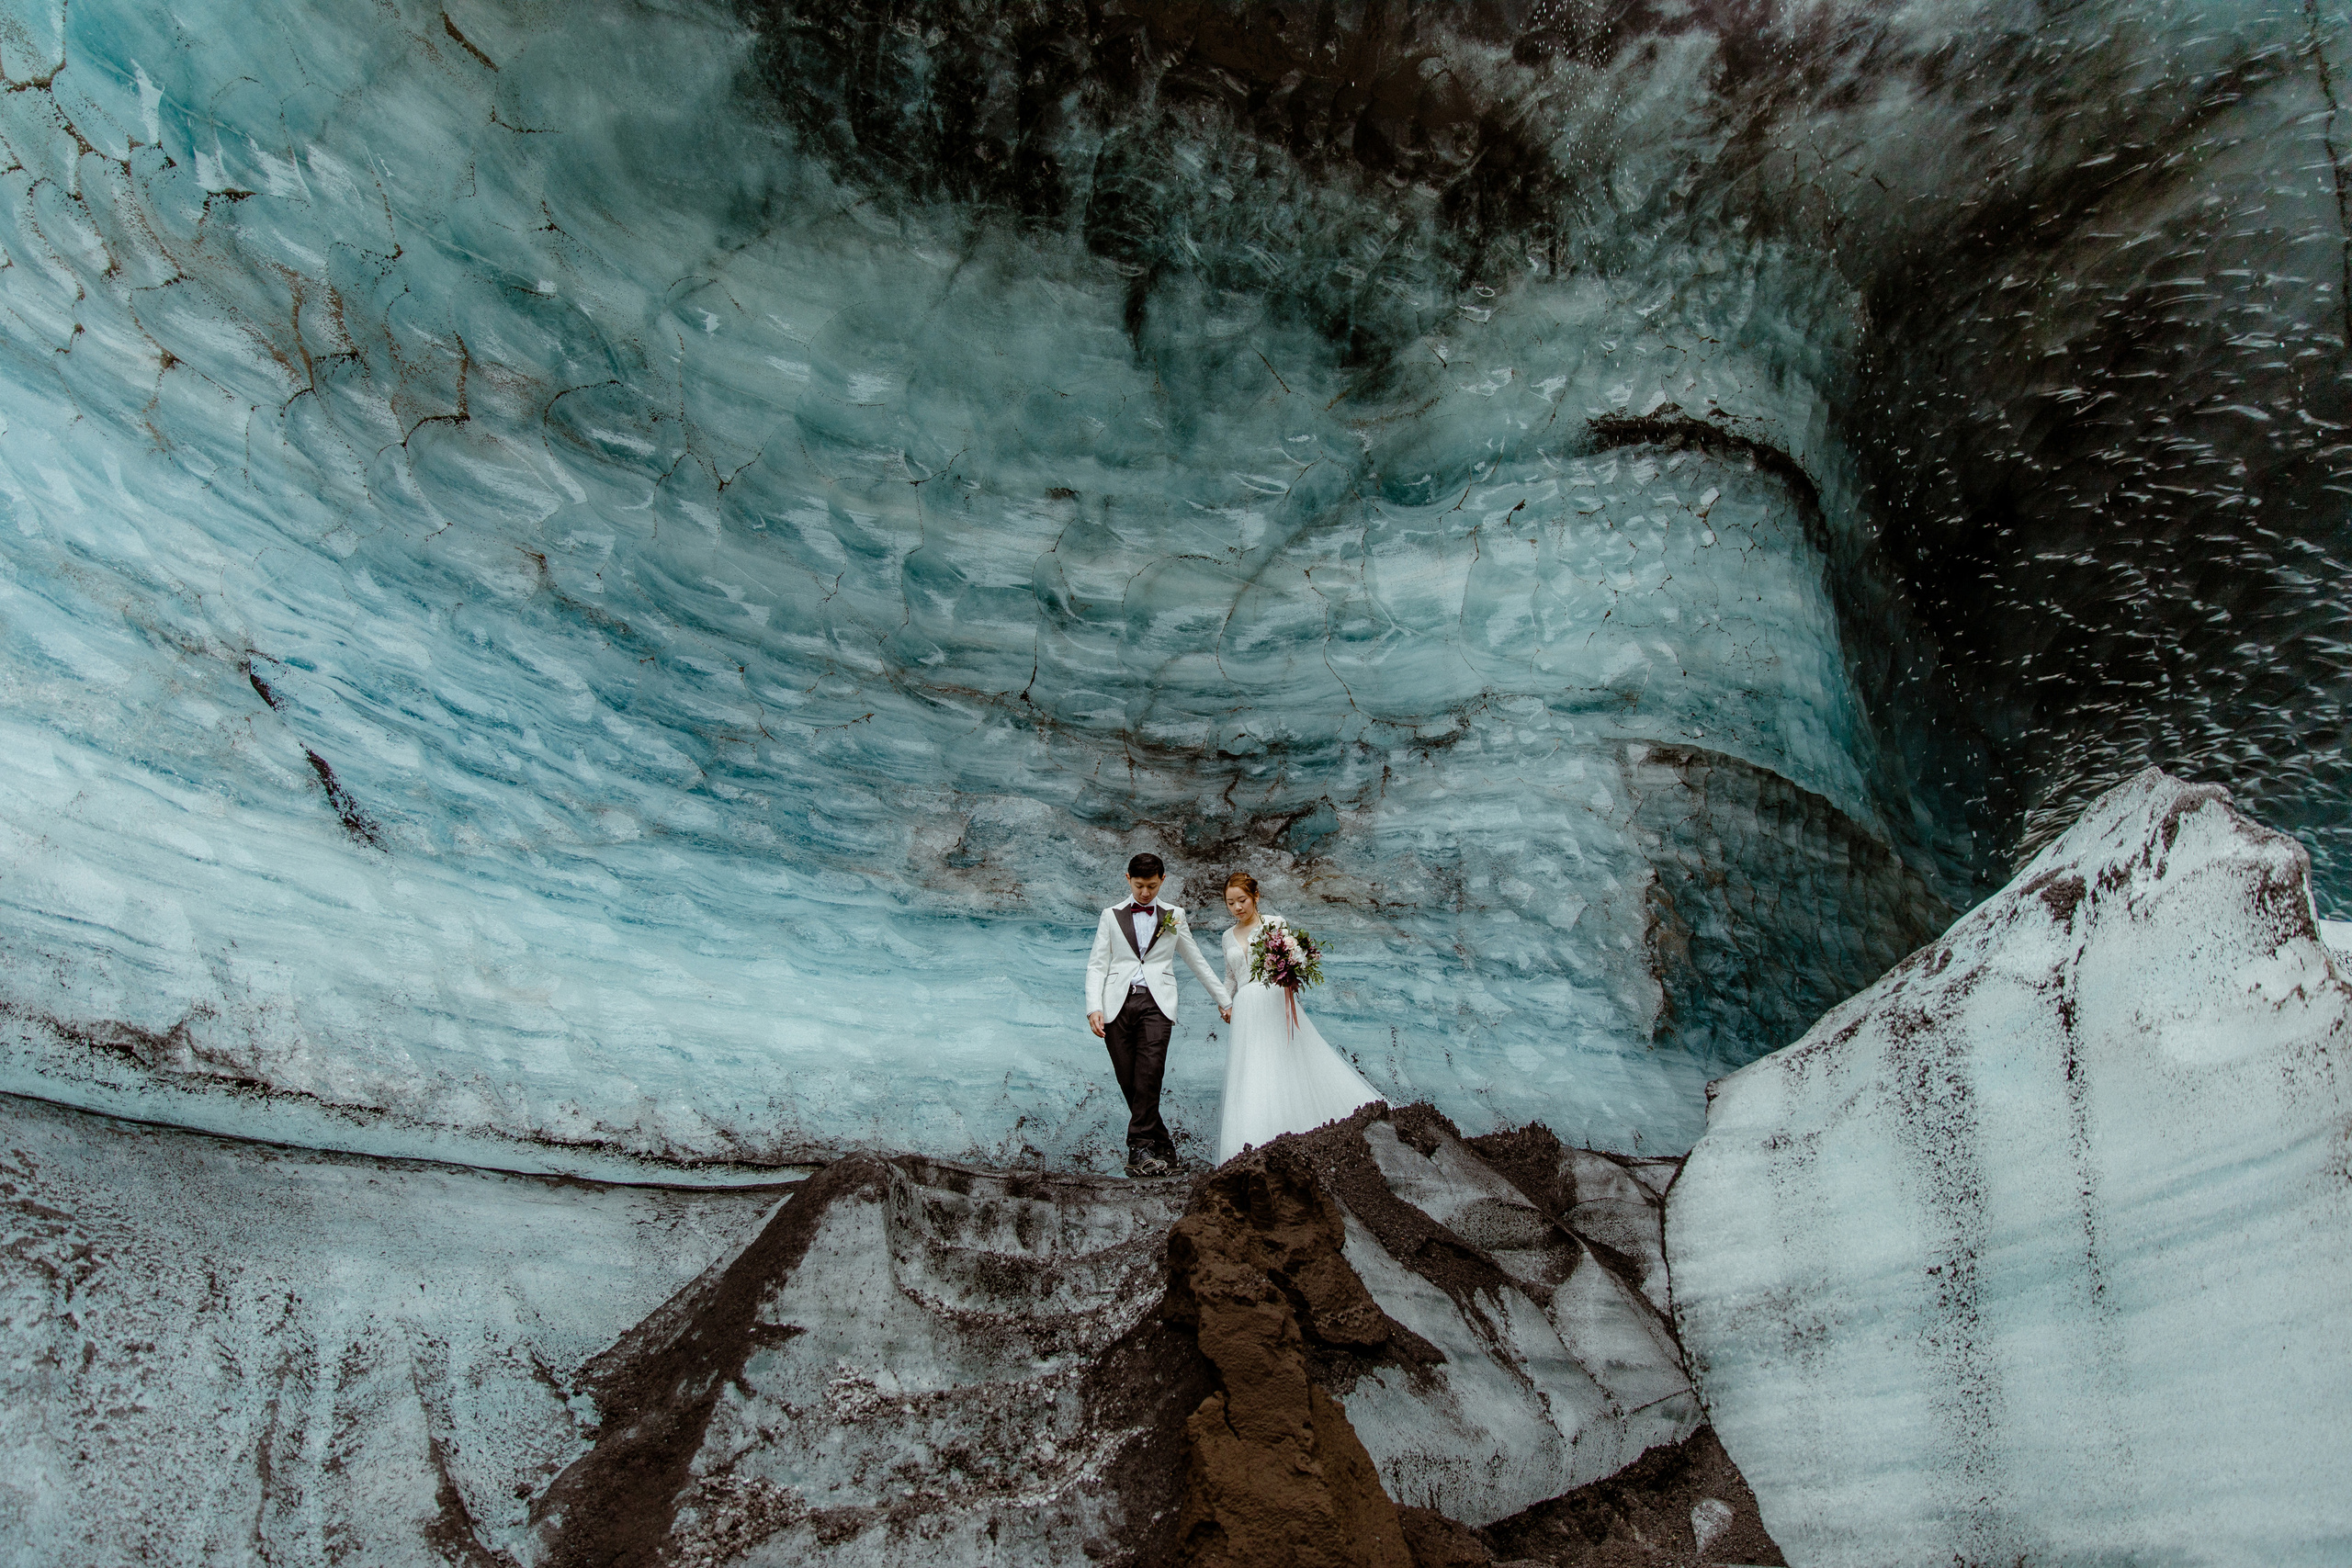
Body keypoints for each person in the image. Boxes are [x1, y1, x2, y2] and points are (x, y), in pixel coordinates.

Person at [1216, 872, 1385, 1164]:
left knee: (1281, 1061)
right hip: (1245, 1009)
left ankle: (1289, 1129)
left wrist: (1291, 971)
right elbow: (1231, 977)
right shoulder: (1226, 937)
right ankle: (1249, 1142)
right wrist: (1223, 1002)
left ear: (1256, 896)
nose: (1237, 908)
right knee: (1251, 1068)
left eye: (1241, 900)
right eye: (1230, 903)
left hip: (1272, 1001)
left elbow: (1291, 962)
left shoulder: (1275, 924)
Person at [1084, 852, 1232, 1178]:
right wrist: (1093, 1006)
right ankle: (1163, 1147)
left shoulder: (1174, 915)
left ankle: (1138, 1149)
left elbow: (1196, 961)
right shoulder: (1110, 915)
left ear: (1163, 881)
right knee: (1131, 1082)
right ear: (1128, 880)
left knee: (1149, 1075)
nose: (1145, 893)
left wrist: (1225, 1000)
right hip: (1116, 1005)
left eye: (1152, 886)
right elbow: (1097, 963)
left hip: (1157, 1005)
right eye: (1139, 886)